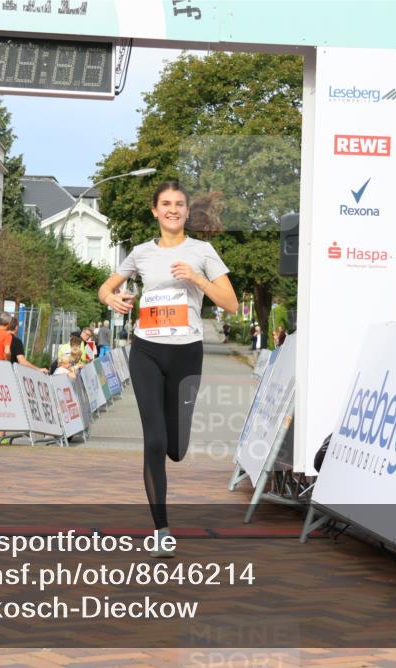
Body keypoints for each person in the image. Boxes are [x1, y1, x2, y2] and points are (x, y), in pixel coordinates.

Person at [98, 180, 238, 557]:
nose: (173, 209)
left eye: (179, 204)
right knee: (155, 441)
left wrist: (196, 278)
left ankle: (174, 451)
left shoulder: (203, 251)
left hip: (187, 353)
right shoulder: (141, 253)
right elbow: (105, 288)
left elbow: (232, 304)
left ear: (187, 212)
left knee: (176, 447)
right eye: (166, 204)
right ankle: (161, 529)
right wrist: (114, 298)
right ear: (155, 211)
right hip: (146, 351)